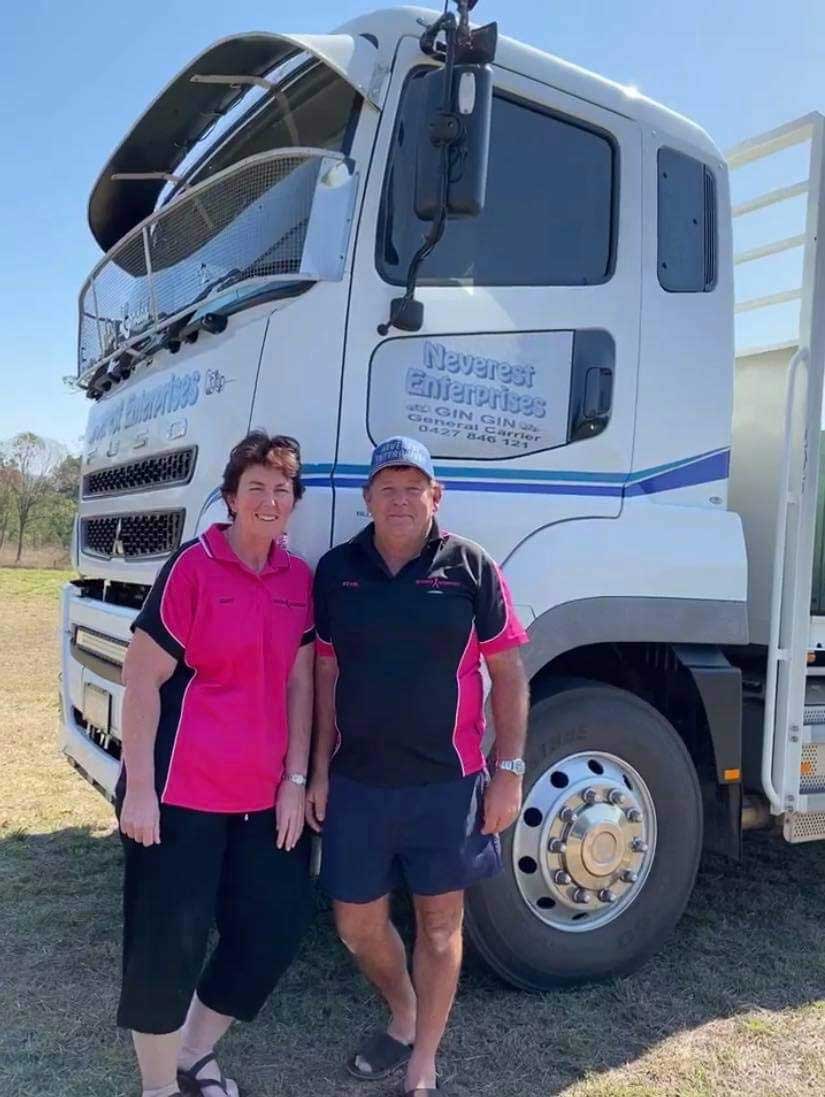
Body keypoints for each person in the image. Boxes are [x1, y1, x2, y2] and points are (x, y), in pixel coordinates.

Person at [307, 436, 530, 1097]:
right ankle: (402, 1008)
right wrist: (317, 770)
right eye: (387, 488)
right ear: (367, 498)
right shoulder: (336, 570)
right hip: (357, 781)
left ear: (436, 496)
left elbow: (508, 671)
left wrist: (510, 769)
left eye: (413, 488)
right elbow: (325, 673)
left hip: (447, 784)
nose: (400, 500)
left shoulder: (472, 567)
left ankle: (422, 1058)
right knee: (355, 925)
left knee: (439, 926)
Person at [117, 431, 315, 1097]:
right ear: (231, 497)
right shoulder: (193, 567)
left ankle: (194, 1053)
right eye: (255, 487)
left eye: (281, 489)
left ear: (293, 503)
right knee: (166, 944)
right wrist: (139, 790)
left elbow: (300, 683)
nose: (268, 499)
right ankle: (158, 1087)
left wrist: (295, 781)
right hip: (180, 795)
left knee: (272, 929)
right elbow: (141, 678)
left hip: (263, 798)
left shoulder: (298, 578)